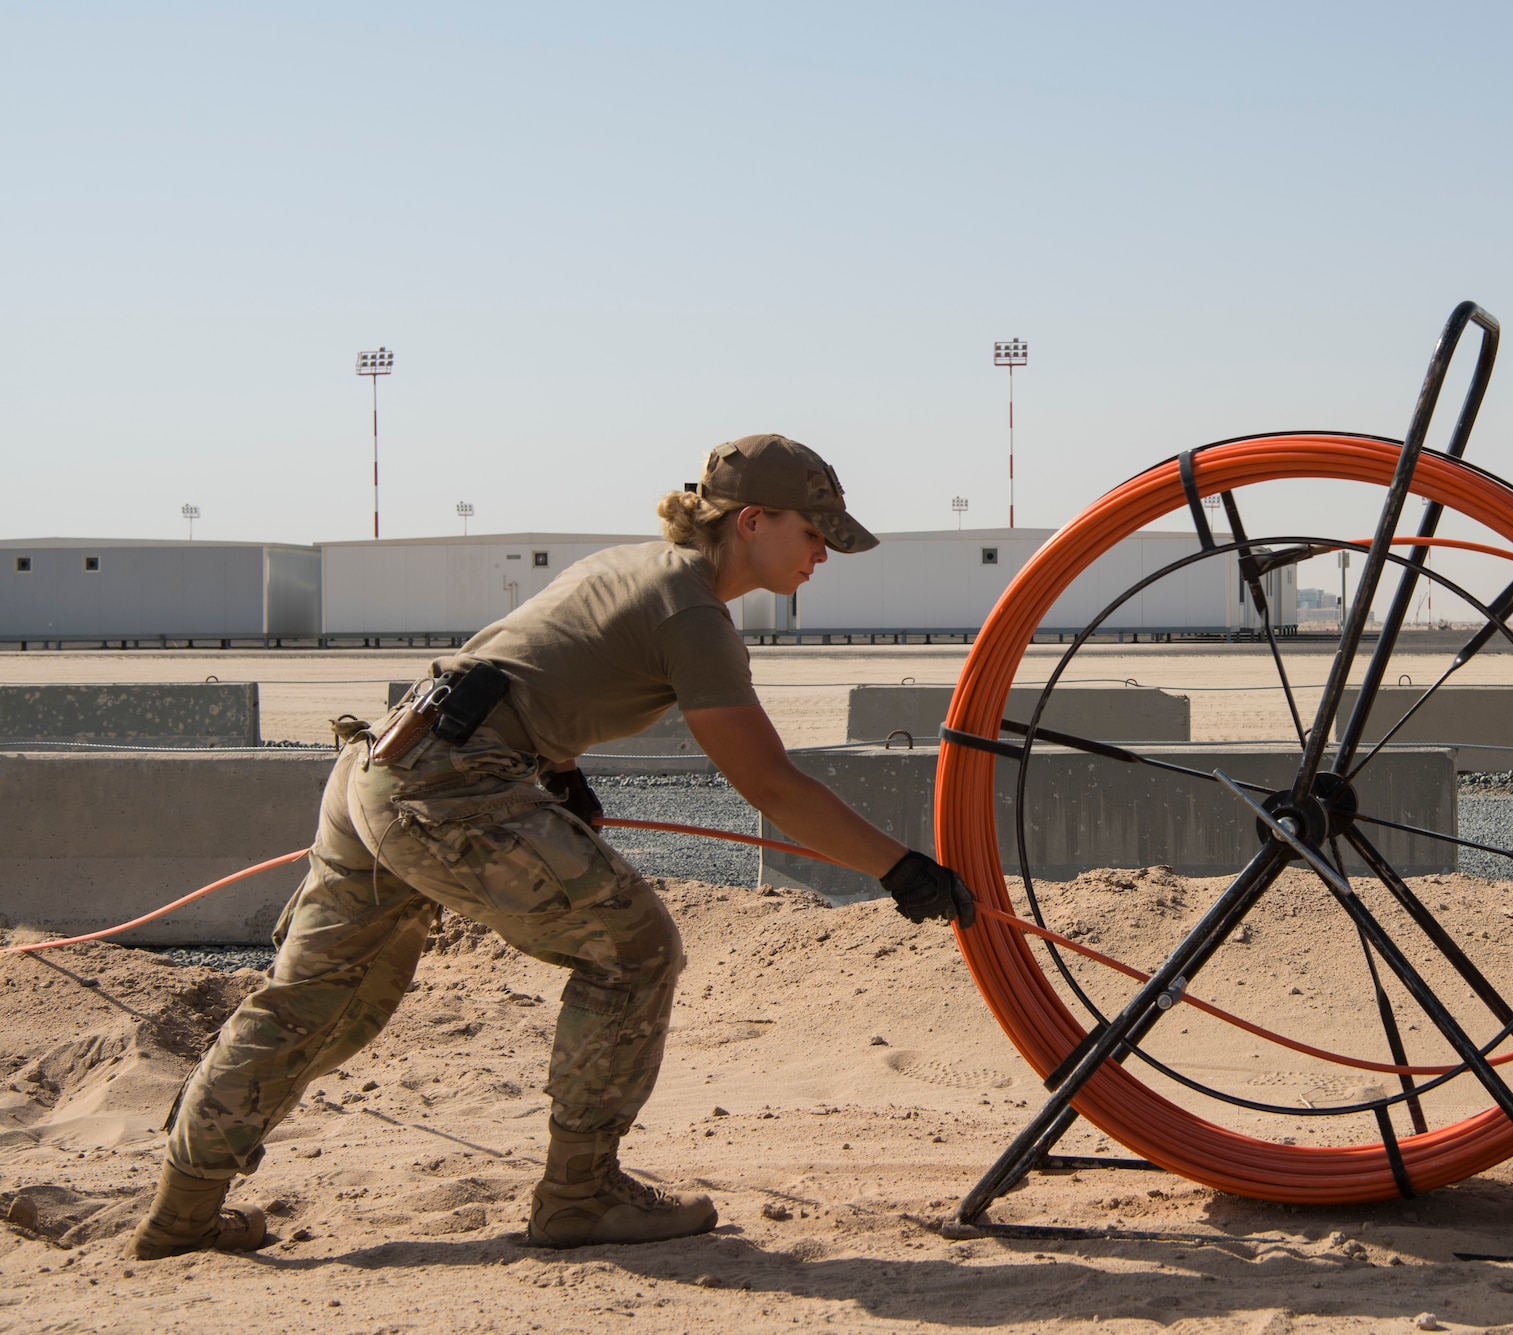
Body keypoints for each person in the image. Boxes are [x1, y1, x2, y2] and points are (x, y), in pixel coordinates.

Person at [131, 434, 976, 1260]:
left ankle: (183, 1209)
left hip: (383, 768)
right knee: (636, 950)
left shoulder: (629, 568)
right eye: (814, 531)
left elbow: (531, 665)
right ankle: (579, 1194)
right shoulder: (695, 613)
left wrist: (560, 773)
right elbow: (772, 784)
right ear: (752, 521)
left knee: (311, 1000)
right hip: (448, 788)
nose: (823, 553)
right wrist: (897, 869)